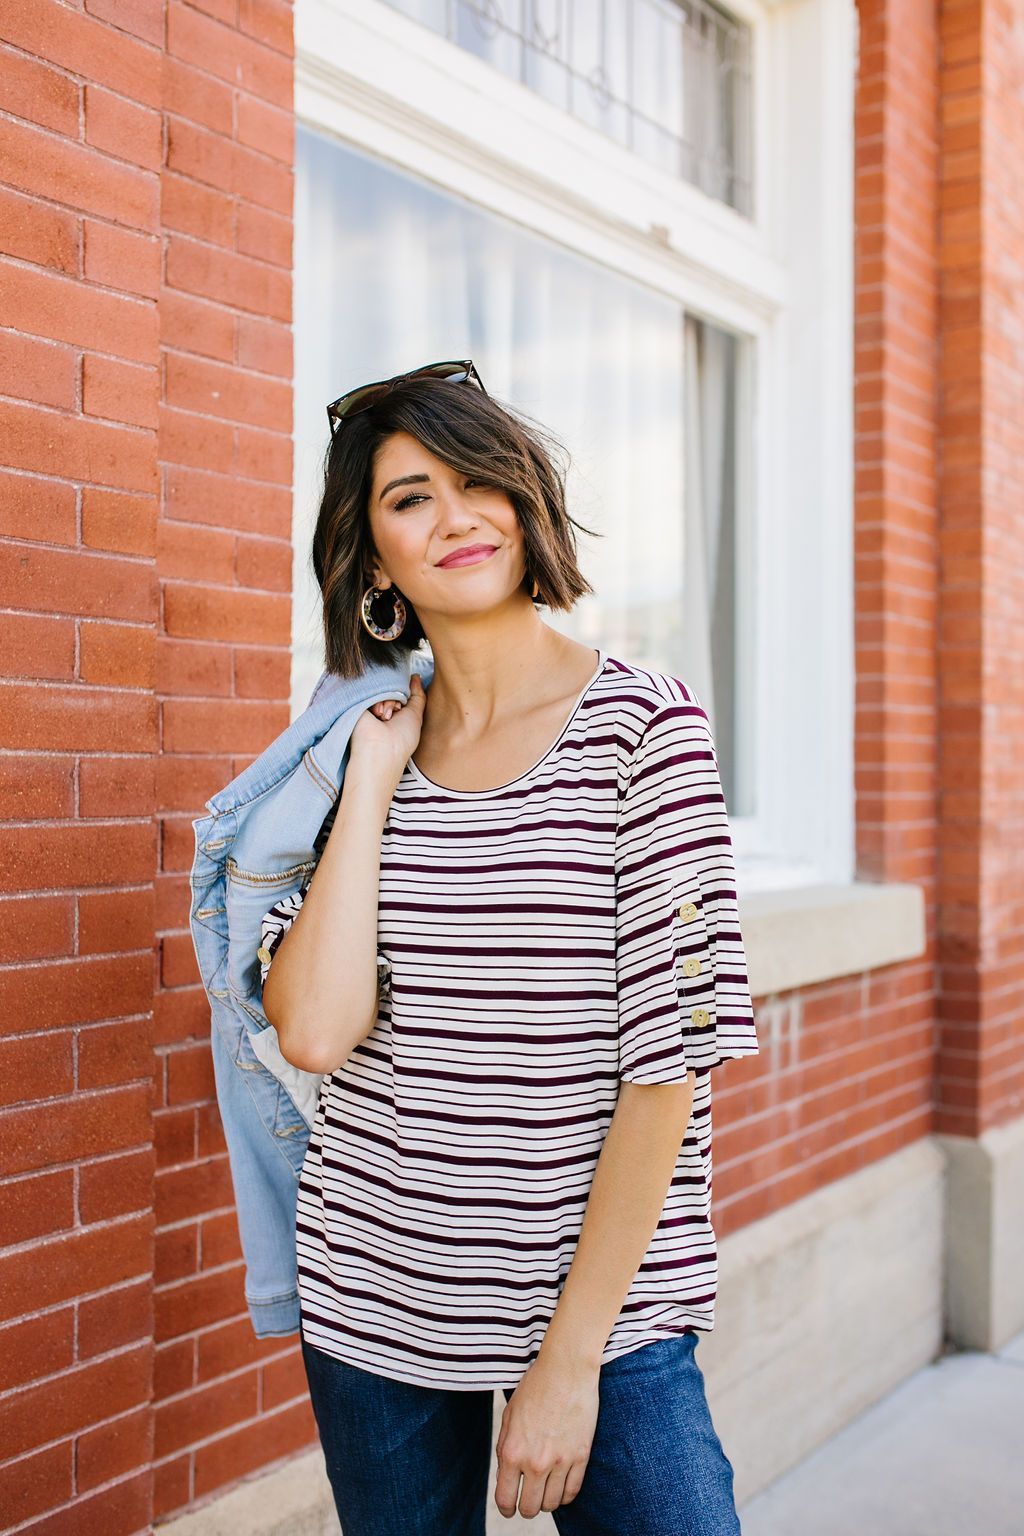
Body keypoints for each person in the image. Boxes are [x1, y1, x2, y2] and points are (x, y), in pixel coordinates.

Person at [261, 360, 759, 1534]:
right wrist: (377, 784)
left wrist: (568, 1363)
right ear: (375, 556)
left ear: (525, 505)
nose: (457, 515)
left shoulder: (647, 728)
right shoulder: (353, 749)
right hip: (378, 1293)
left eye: (478, 478)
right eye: (409, 496)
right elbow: (318, 1028)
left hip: (607, 1315)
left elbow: (668, 1065)